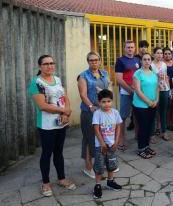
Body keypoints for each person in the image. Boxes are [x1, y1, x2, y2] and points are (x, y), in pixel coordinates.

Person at [29, 55, 76, 197]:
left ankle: (61, 179)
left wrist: (66, 113)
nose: (50, 66)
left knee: (59, 152)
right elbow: (43, 106)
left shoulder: (57, 79)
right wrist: (63, 110)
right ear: (39, 66)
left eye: (52, 63)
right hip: (46, 125)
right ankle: (46, 183)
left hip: (61, 123)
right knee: (46, 153)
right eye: (46, 64)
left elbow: (65, 98)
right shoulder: (36, 83)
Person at [78, 52, 111, 179]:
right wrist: (91, 107)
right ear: (88, 62)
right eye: (91, 60)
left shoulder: (105, 74)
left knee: (102, 137)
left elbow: (108, 90)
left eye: (96, 60)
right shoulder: (83, 76)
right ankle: (88, 166)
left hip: (104, 111)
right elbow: (83, 94)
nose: (94, 62)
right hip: (89, 113)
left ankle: (101, 163)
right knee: (89, 138)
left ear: (100, 60)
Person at [92, 89, 122, 199]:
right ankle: (98, 185)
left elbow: (118, 127)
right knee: (99, 166)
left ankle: (110, 182)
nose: (106, 104)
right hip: (100, 146)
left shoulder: (115, 112)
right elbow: (96, 129)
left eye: (109, 101)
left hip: (112, 144)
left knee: (112, 164)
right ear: (99, 102)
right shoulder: (97, 113)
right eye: (103, 102)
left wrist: (116, 141)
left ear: (112, 101)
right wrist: (102, 144)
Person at [133, 53, 159, 159]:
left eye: (149, 59)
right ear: (141, 61)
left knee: (149, 126)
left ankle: (146, 146)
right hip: (141, 105)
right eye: (145, 59)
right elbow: (138, 91)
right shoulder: (138, 73)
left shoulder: (153, 73)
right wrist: (149, 102)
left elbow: (157, 88)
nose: (147, 61)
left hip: (153, 104)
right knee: (143, 127)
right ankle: (141, 149)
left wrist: (156, 100)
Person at [115, 40, 140, 150]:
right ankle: (121, 139)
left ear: (135, 48)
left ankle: (137, 135)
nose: (130, 49)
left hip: (137, 92)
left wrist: (138, 90)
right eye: (128, 47)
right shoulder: (120, 61)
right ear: (124, 48)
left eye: (132, 47)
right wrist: (131, 90)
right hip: (126, 92)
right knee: (123, 117)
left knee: (136, 115)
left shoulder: (137, 60)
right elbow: (119, 79)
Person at [150, 47, 170, 142]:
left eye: (161, 53)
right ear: (153, 54)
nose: (160, 55)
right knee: (153, 112)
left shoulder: (164, 65)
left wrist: (169, 89)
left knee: (163, 111)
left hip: (164, 89)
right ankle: (152, 134)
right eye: (157, 53)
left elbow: (166, 77)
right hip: (153, 90)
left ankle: (164, 131)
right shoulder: (150, 65)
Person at [163, 47, 173, 131]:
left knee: (172, 106)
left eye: (169, 54)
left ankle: (170, 123)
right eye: (165, 54)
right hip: (165, 88)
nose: (167, 55)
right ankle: (166, 124)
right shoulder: (162, 64)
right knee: (167, 106)